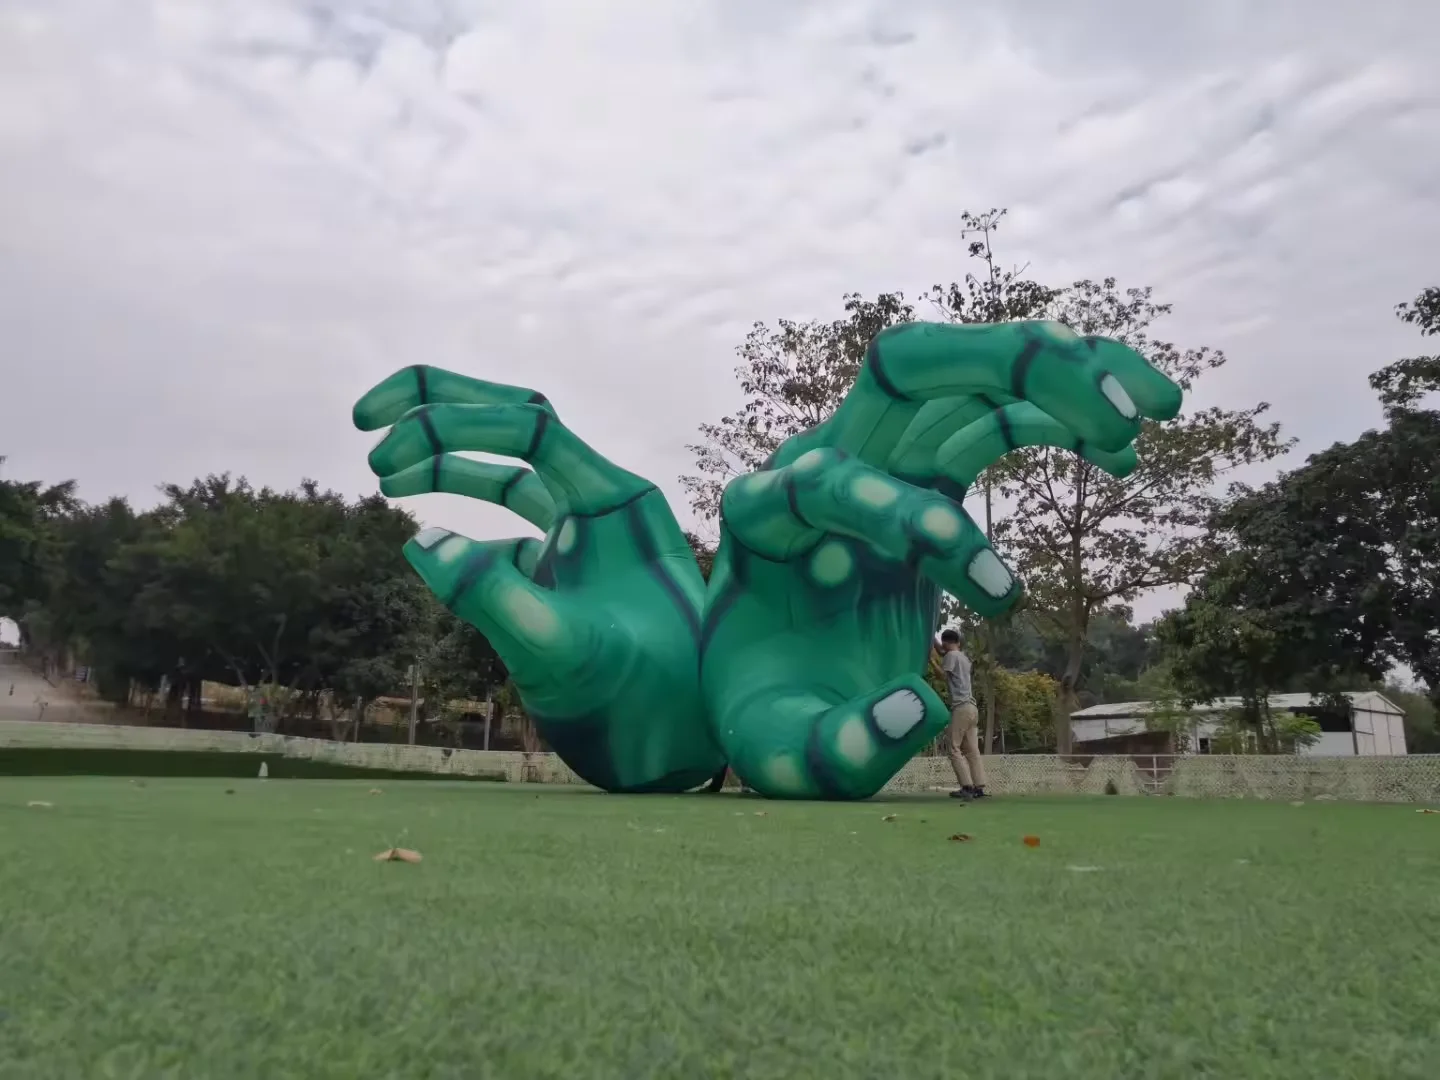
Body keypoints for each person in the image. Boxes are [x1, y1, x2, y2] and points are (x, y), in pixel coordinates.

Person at [938, 628, 988, 800]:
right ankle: (979, 787)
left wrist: (930, 660)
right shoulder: (963, 657)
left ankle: (966, 786)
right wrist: (934, 644)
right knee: (972, 750)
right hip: (972, 708)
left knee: (953, 748)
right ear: (958, 642)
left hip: (960, 707)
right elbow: (942, 651)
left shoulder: (950, 657)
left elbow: (942, 675)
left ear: (945, 642)